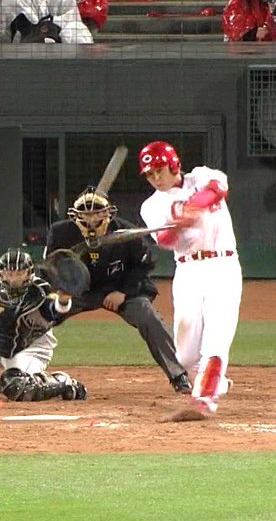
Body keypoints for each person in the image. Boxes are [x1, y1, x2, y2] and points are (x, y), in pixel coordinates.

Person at [45, 187, 194, 397]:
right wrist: (63, 291)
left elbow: (143, 265)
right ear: (75, 215)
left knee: (148, 317)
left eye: (97, 212)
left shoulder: (126, 233)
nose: (92, 218)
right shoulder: (61, 233)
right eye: (86, 212)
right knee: (41, 314)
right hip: (77, 292)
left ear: (108, 213)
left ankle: (179, 375)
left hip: (119, 287)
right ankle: (20, 369)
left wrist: (124, 291)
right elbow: (52, 267)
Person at [137, 141, 242, 422]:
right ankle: (215, 382)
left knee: (216, 340)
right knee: (184, 356)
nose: (156, 178)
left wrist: (193, 207)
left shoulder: (202, 176)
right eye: (150, 174)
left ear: (174, 165)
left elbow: (218, 190)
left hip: (222, 266)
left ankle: (204, 401)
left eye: (159, 171)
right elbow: (165, 241)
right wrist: (177, 225)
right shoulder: (151, 206)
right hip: (188, 272)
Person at [0, 248, 87, 401]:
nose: (13, 279)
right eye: (9, 274)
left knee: (16, 387)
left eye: (19, 274)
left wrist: (63, 300)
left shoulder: (39, 292)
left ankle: (64, 382)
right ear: (0, 274)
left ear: (29, 274)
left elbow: (54, 312)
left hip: (30, 349)